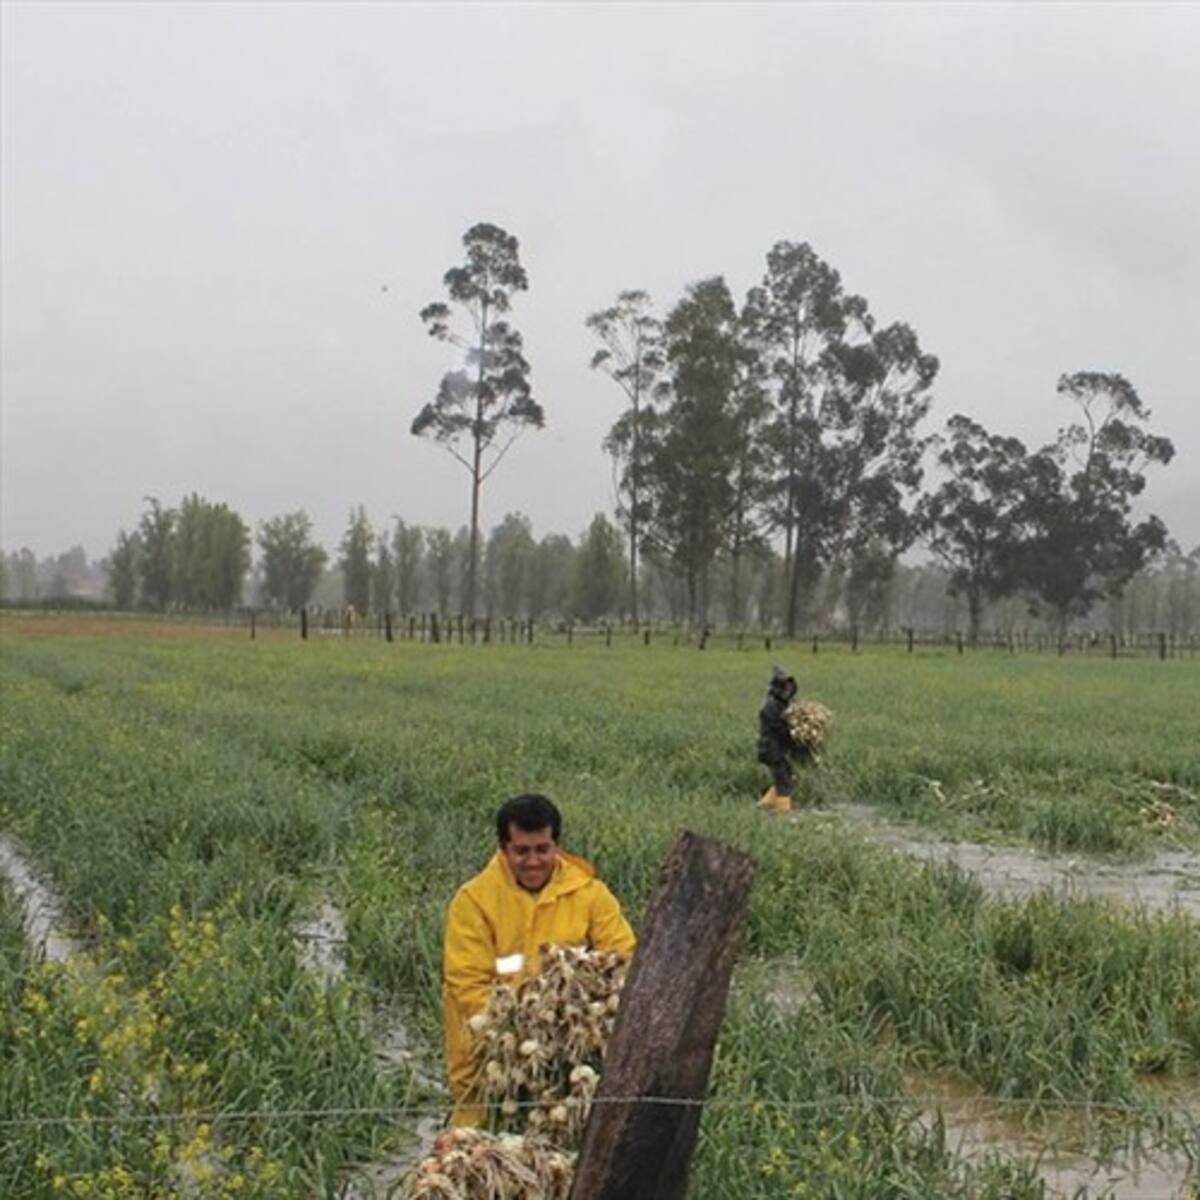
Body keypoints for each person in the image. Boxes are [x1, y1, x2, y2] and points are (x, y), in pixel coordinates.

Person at [441, 793, 636, 1125]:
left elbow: (625, 959)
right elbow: (467, 983)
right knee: (479, 1143)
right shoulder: (474, 901)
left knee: (564, 1138)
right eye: (522, 851)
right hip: (489, 1053)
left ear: (556, 846)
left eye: (542, 849)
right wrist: (516, 1034)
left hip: (570, 1053)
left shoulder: (591, 895)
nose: (533, 861)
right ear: (504, 849)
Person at [757, 665, 804, 813]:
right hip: (771, 749)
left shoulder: (784, 703)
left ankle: (766, 804)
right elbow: (778, 729)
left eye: (790, 686)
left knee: (786, 775)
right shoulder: (770, 706)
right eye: (785, 686)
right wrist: (794, 731)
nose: (788, 690)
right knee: (784, 780)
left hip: (778, 748)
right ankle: (783, 811)